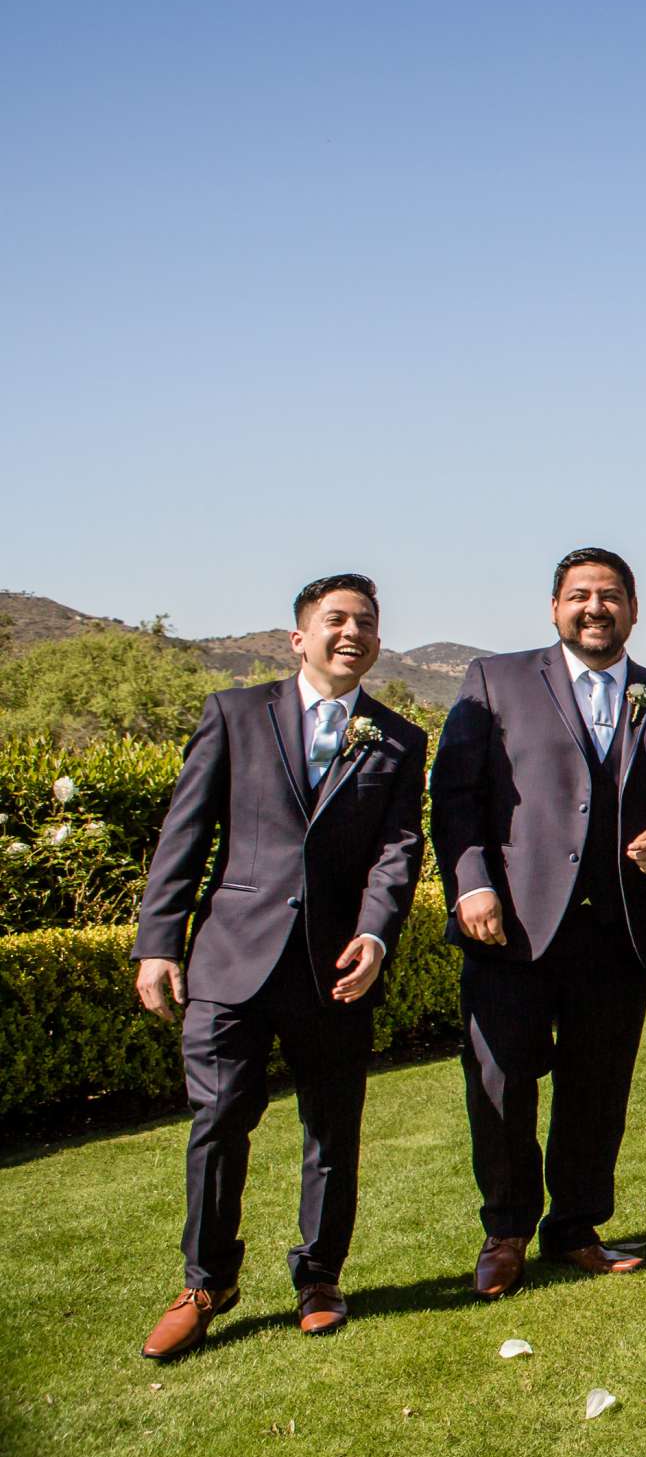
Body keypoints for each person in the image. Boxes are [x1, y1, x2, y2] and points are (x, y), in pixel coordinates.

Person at [130, 574, 426, 1358]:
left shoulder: (398, 738)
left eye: (366, 621)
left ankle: (320, 1274)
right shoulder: (235, 713)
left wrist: (377, 934)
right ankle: (206, 1280)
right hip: (232, 958)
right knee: (219, 1118)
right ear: (298, 637)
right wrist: (158, 941)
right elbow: (184, 834)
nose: (351, 632)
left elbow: (399, 851)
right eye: (335, 620)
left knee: (332, 1128)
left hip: (335, 966)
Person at [429, 546, 646, 1297]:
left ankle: (577, 1226)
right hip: (509, 927)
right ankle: (506, 1229)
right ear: (554, 608)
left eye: (611, 595)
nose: (595, 607)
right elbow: (454, 795)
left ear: (634, 610)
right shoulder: (496, 680)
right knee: (502, 1084)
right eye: (580, 595)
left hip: (616, 932)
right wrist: (471, 883)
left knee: (597, 1088)